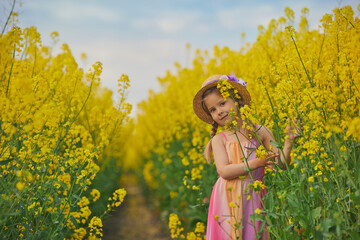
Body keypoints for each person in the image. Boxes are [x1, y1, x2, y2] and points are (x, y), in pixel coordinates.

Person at [192, 74, 300, 240]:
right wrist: (256, 163)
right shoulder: (219, 139)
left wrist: (288, 143)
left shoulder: (260, 131)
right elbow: (224, 171)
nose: (219, 111)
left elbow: (281, 164)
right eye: (213, 110)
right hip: (227, 198)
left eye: (222, 103)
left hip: (254, 196)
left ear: (236, 100)